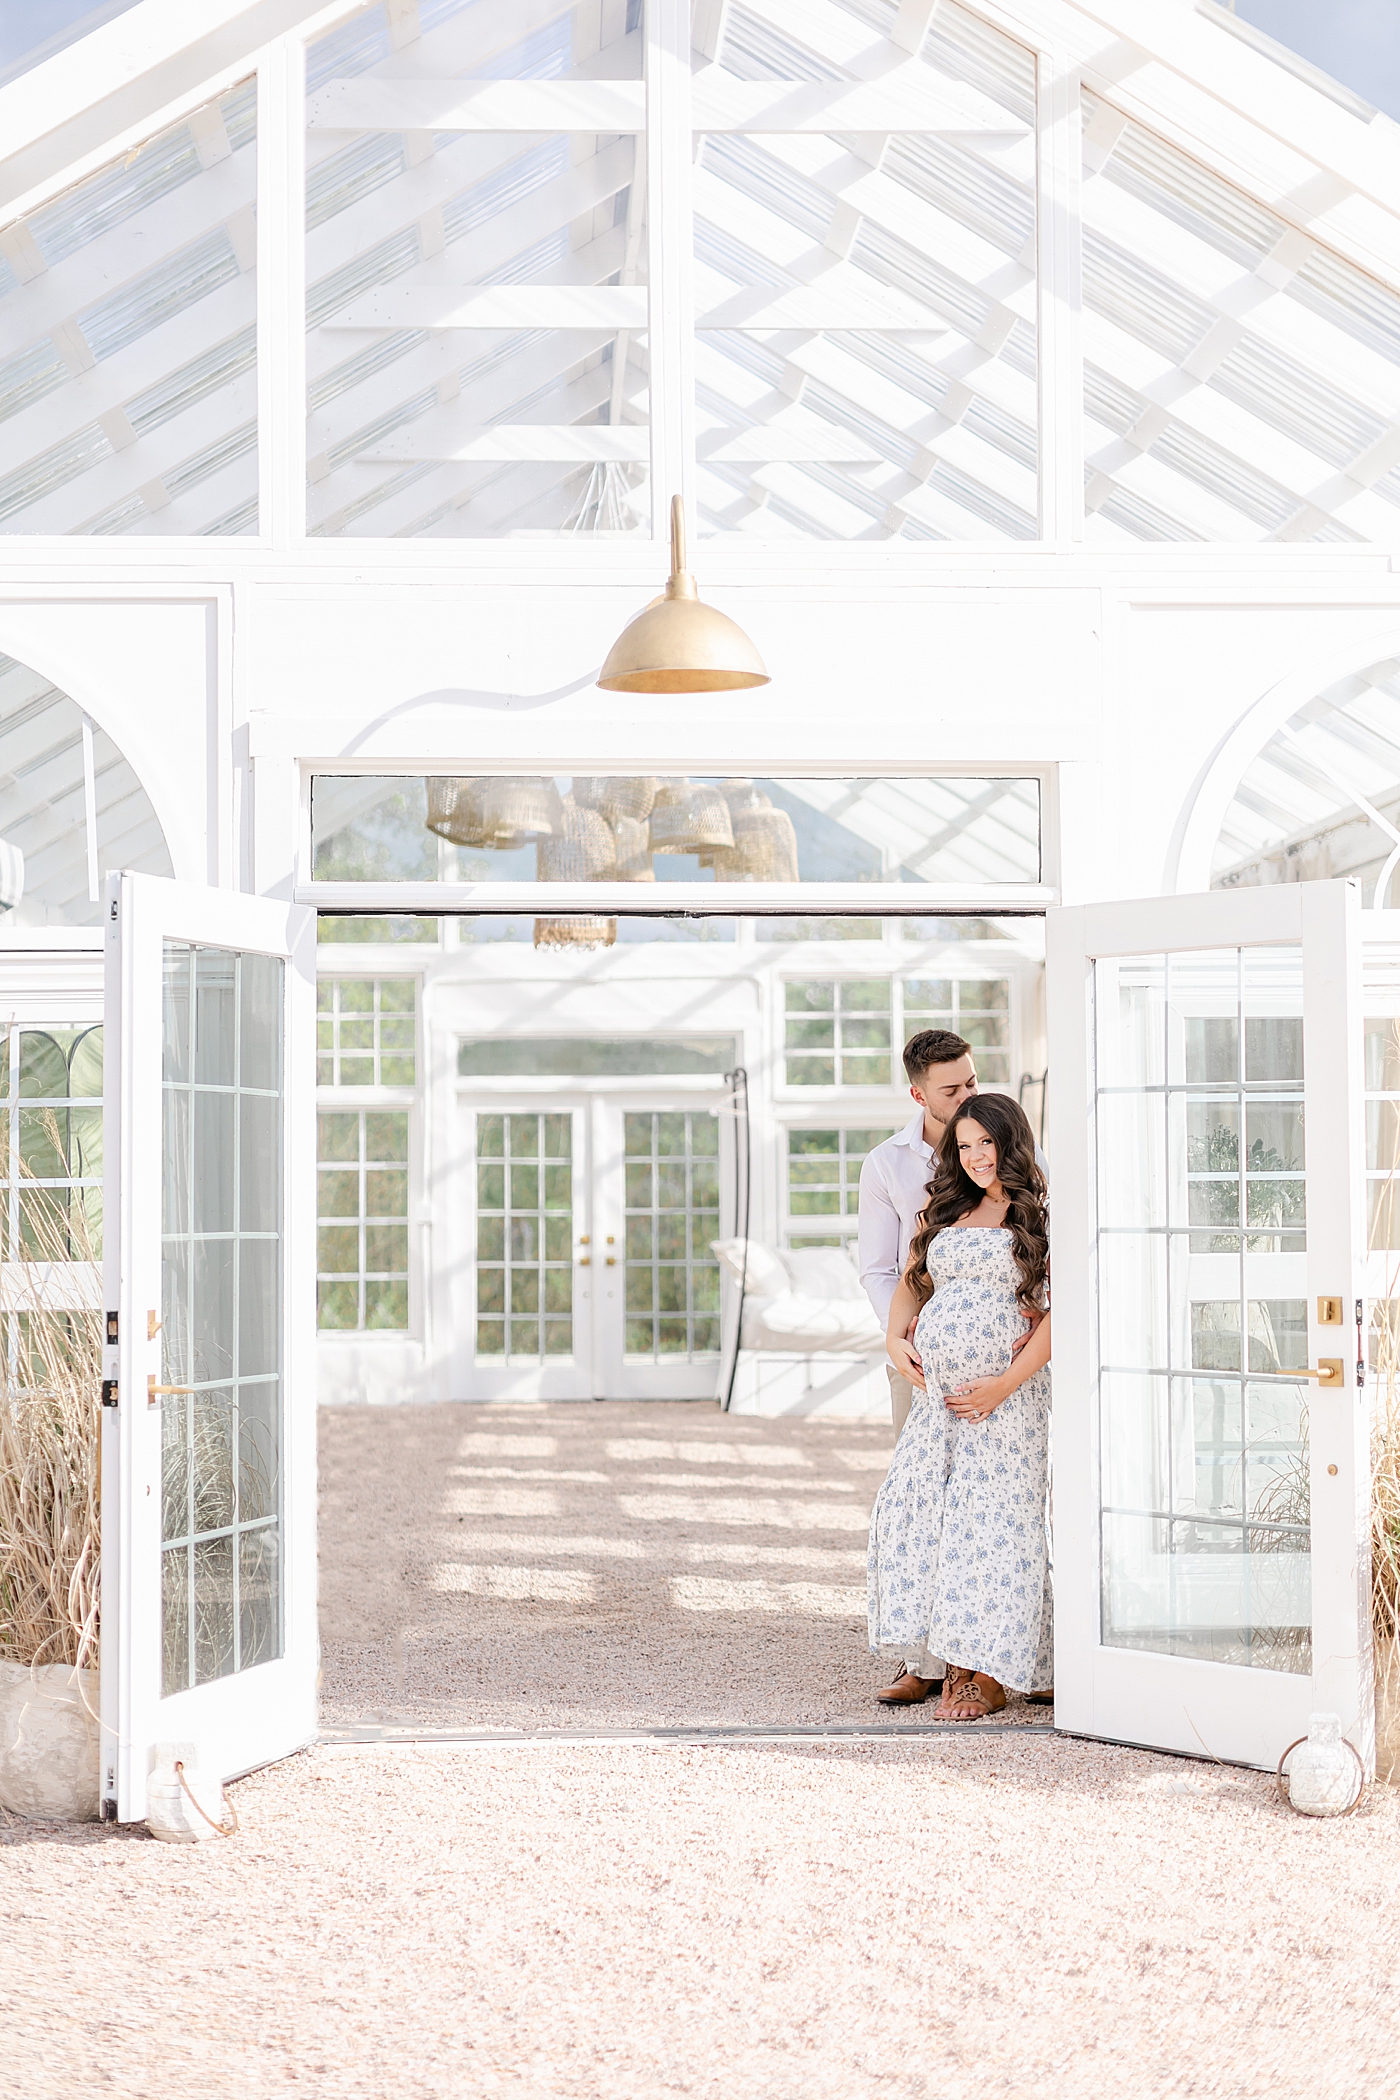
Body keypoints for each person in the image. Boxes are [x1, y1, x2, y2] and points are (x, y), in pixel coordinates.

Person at [866, 1092, 1053, 1719]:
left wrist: (1005, 1382)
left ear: (1011, 1142)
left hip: (1007, 1405)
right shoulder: (942, 1210)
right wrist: (896, 1341)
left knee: (990, 1526)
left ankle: (984, 1674)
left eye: (987, 1143)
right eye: (964, 1145)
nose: (975, 1156)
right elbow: (912, 1281)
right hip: (938, 1407)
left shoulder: (1038, 1213)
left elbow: (1058, 1312)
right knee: (919, 1516)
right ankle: (937, 1658)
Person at [858, 1030, 1046, 1441]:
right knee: (915, 1486)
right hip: (920, 1359)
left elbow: (1046, 1247)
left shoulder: (1024, 1157)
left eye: (971, 1082)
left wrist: (1041, 1313)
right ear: (919, 1096)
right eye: (950, 1090)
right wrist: (899, 1336)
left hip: (1010, 1364)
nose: (966, 1096)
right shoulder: (885, 1165)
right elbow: (879, 1269)